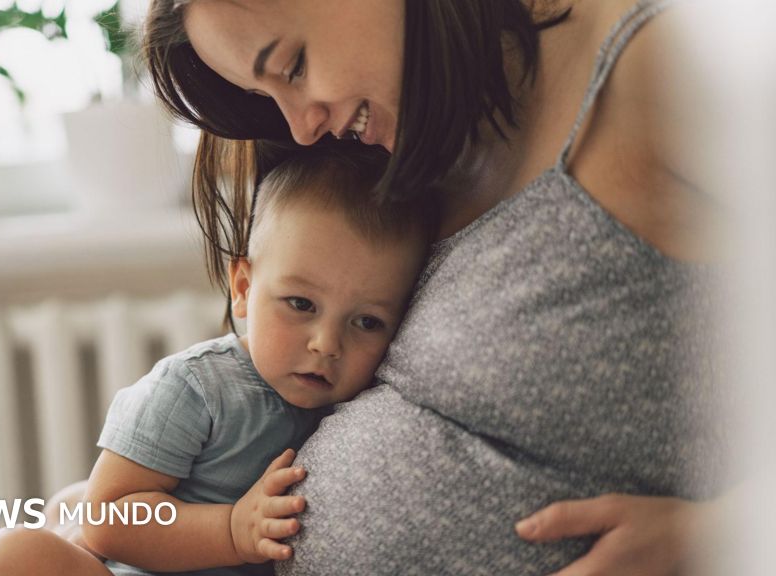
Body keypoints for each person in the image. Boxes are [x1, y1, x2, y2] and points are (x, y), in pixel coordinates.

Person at [141, 0, 728, 574]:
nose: (300, 125)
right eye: (266, 97)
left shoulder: (663, 64)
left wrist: (710, 536)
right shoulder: (392, 141)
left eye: (294, 66)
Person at [0, 145, 433, 575]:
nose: (327, 344)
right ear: (244, 289)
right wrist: (231, 530)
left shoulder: (369, 406)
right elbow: (110, 518)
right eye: (301, 304)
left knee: (69, 510)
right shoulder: (197, 388)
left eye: (367, 323)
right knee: (17, 554)